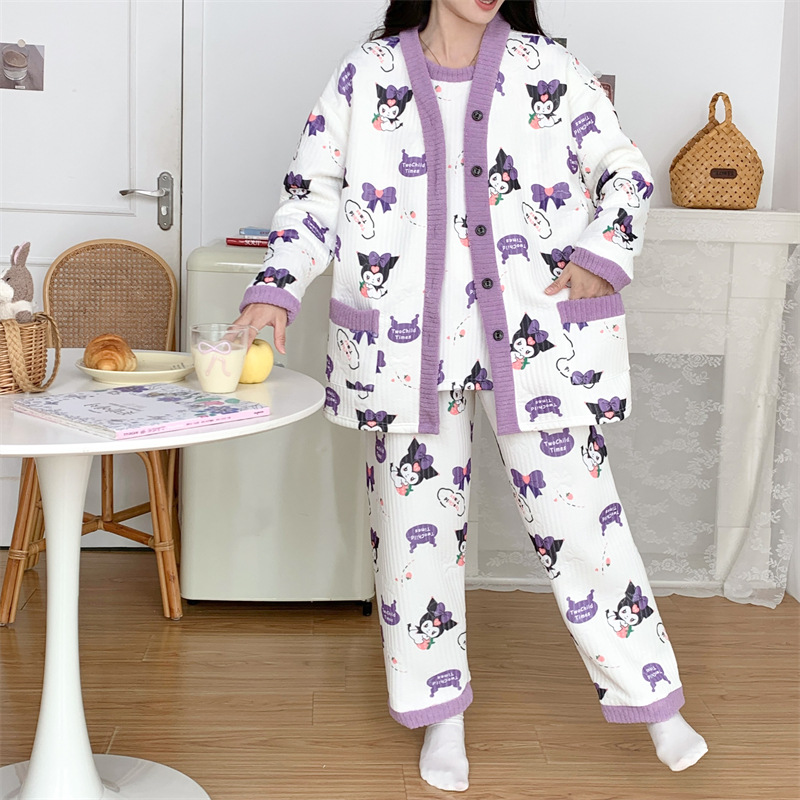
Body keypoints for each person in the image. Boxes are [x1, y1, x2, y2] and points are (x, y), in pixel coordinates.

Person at [234, 0, 708, 791]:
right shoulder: (367, 74)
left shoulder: (548, 68)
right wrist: (276, 289)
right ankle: (439, 714)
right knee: (412, 535)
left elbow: (625, 169)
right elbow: (313, 194)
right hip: (405, 346)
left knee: (584, 522)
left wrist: (601, 255)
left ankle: (654, 701)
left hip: (534, 334)